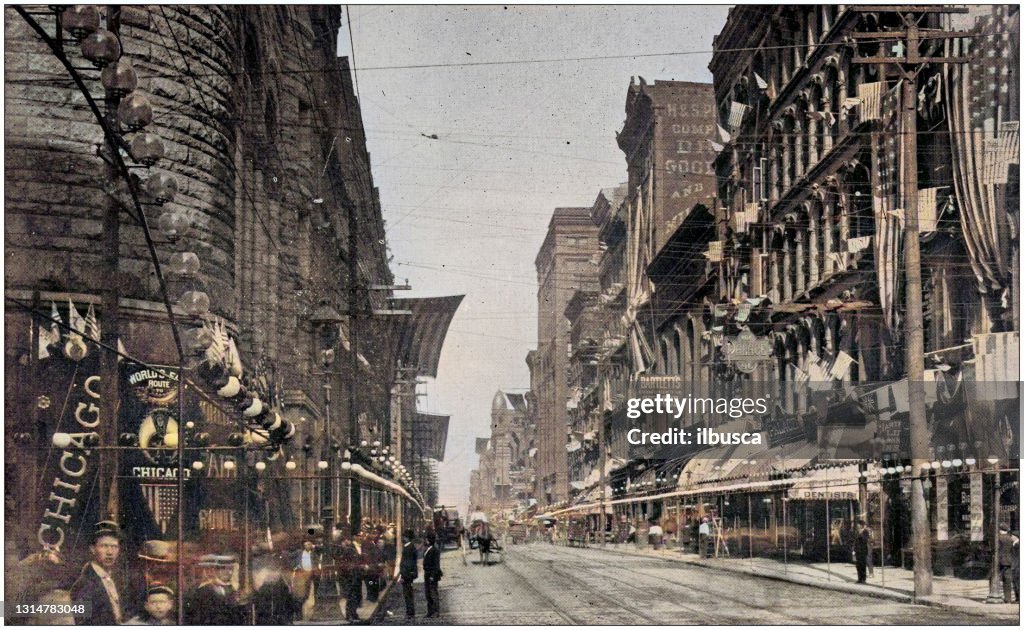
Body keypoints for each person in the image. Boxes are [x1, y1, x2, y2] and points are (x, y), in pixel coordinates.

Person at [70, 521, 127, 625]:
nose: (110, 552)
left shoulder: (114, 579)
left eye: (114, 546)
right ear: (93, 549)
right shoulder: (83, 584)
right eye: (104, 546)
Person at [183, 554, 246, 625]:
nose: (229, 573)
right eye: (223, 569)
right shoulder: (203, 591)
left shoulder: (232, 589)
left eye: (231, 569)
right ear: (213, 570)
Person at [997, 523, 1020, 604]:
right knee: (1008, 580)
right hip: (1009, 562)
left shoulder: (998, 538)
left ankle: (996, 595)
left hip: (999, 561)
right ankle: (1008, 599)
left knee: (996, 579)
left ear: (1000, 529)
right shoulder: (1010, 539)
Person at [399, 529, 418, 619]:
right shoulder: (410, 547)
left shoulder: (408, 548)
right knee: (408, 594)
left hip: (407, 575)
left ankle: (410, 613)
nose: (403, 538)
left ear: (407, 538)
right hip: (409, 574)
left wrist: (403, 576)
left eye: (404, 537)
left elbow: (408, 564)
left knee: (408, 594)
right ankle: (410, 612)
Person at [423, 532, 443, 618]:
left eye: (426, 539)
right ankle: (430, 611)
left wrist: (433, 576)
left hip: (432, 575)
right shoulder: (428, 549)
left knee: (433, 593)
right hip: (427, 574)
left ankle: (436, 612)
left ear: (429, 540)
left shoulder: (435, 550)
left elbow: (436, 565)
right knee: (428, 593)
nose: (425, 541)